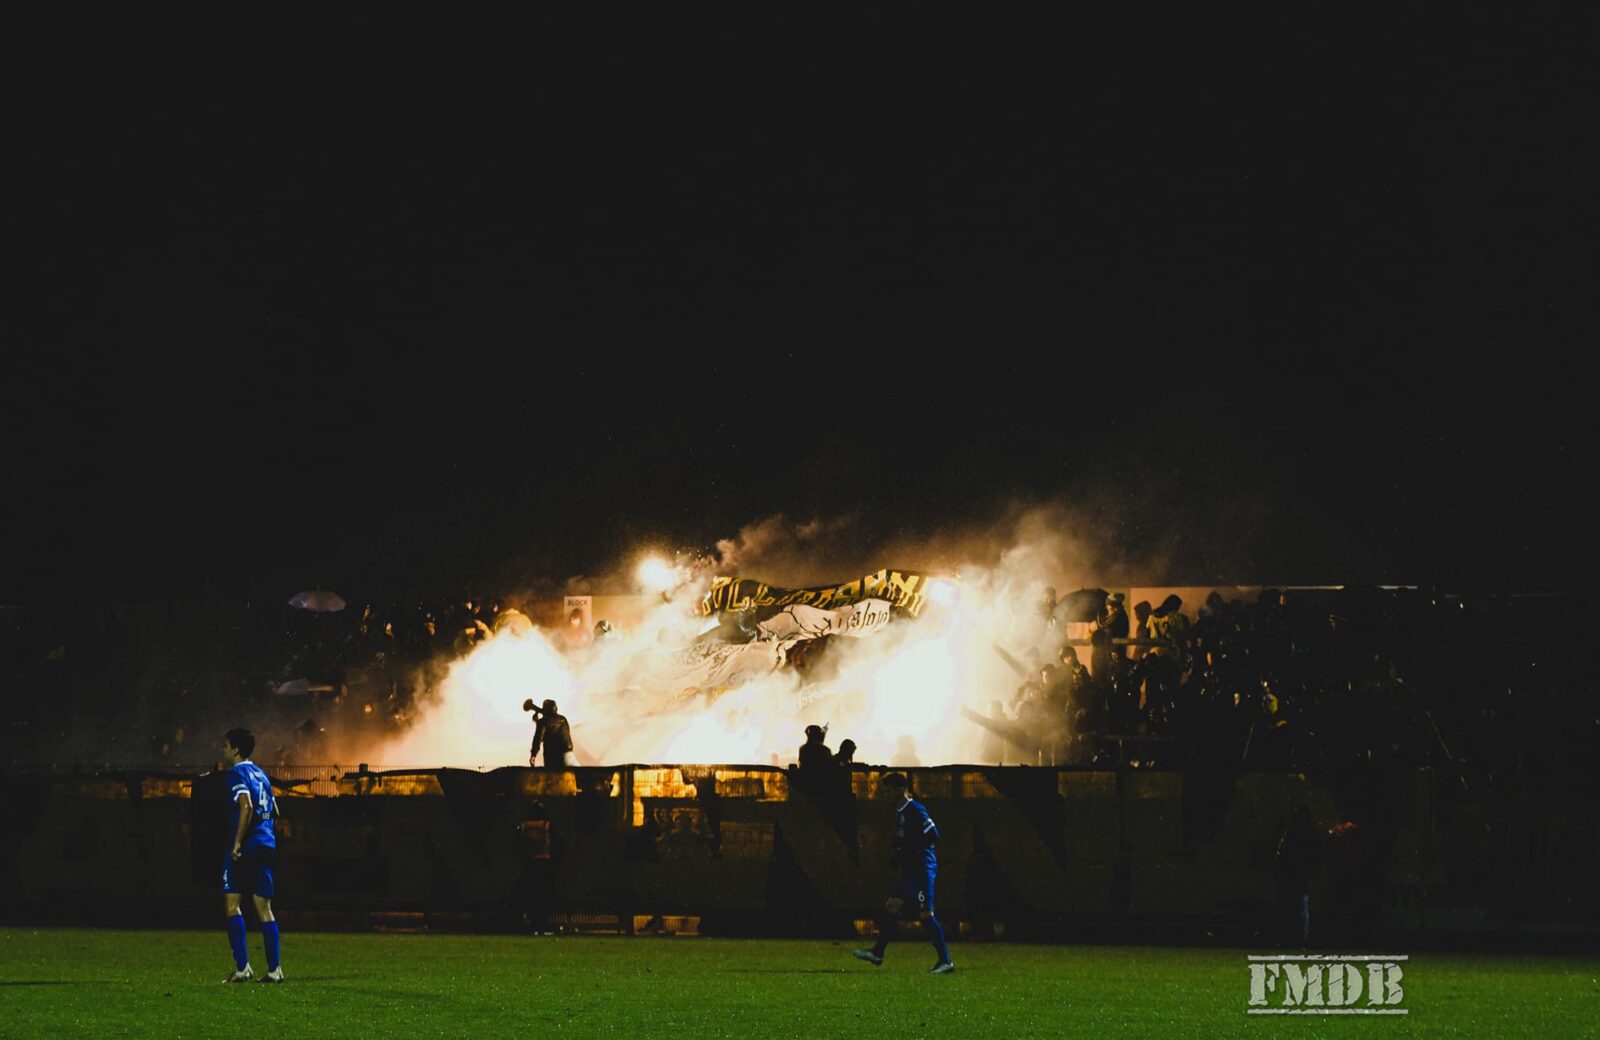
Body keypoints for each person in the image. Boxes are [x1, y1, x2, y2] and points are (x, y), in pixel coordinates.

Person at [853, 773, 953, 973]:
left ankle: (945, 961)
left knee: (926, 914)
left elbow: (933, 835)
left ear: (900, 789)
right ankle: (878, 953)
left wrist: (907, 848)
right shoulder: (900, 811)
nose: (886, 795)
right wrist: (900, 853)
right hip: (910, 869)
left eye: (888, 791)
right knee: (892, 906)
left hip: (922, 868)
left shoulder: (914, 808)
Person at [221, 727, 284, 983]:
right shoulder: (262, 774)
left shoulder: (236, 773)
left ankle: (243, 968)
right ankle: (274, 970)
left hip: (247, 844)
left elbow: (245, 805)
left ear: (235, 749)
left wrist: (237, 842)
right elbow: (275, 810)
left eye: (225, 745)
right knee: (264, 909)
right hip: (266, 842)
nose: (223, 750)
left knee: (232, 904)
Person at [524, 698, 573, 767]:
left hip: (551, 754)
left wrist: (533, 754)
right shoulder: (563, 719)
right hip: (567, 752)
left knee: (553, 776)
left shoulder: (542, 722)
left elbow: (538, 738)